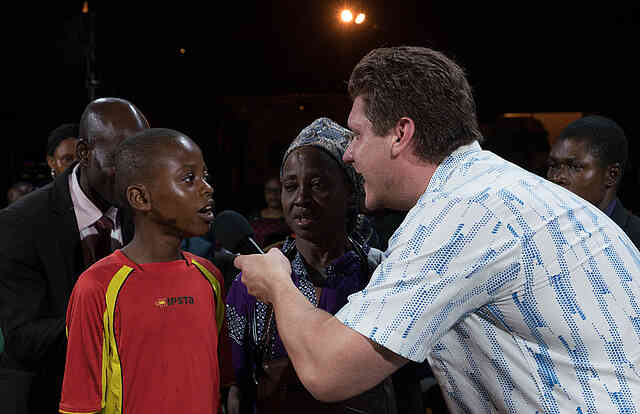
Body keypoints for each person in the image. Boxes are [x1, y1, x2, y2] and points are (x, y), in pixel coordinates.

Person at [234, 46, 640, 413]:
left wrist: (278, 284)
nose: (349, 152)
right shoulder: (499, 188)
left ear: (400, 134)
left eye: (357, 134)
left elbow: (328, 370)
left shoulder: (460, 214)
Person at [226, 118, 402, 414]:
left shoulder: (383, 276)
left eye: (317, 184)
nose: (301, 199)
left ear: (350, 193)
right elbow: (239, 387)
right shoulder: (254, 281)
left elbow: (405, 384)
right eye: (290, 186)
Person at [60, 128, 225, 414]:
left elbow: (220, 382)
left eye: (205, 177)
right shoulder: (97, 287)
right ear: (140, 198)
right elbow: (80, 404)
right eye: (189, 178)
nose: (206, 188)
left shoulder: (210, 276)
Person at [0, 97, 148, 413]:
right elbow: (22, 337)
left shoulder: (147, 210)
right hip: (48, 395)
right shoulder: (19, 224)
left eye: (141, 161)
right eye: (120, 160)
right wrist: (111, 324)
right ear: (83, 153)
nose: (131, 175)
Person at [547, 115, 640, 247]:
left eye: (575, 167)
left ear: (611, 175)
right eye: (553, 165)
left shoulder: (634, 238)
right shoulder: (546, 232)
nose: (557, 177)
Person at [247, 176, 291, 249]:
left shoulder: (290, 219)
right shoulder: (254, 216)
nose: (273, 194)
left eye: (277, 190)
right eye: (269, 190)